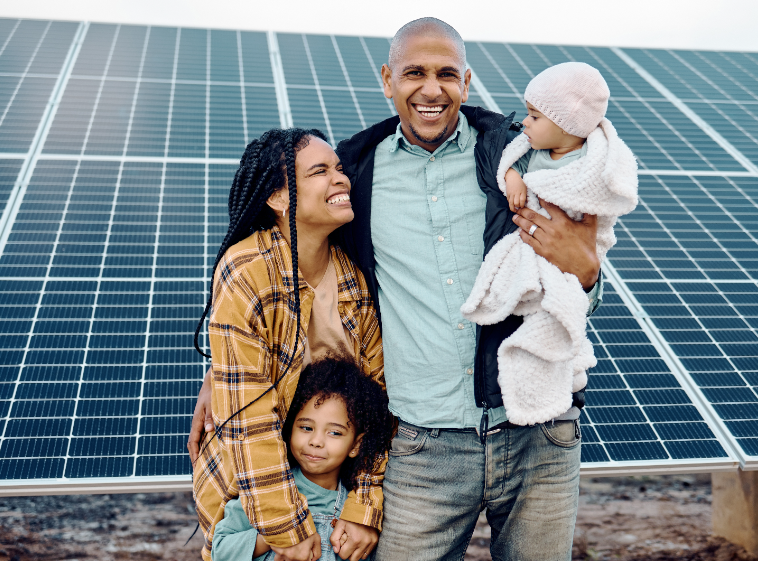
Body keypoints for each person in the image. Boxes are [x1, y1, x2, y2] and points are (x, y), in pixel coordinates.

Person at [190, 18, 604, 561]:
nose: (431, 89)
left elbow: (574, 263)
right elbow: (288, 276)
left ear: (466, 82)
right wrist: (222, 372)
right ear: (388, 80)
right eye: (414, 73)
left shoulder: (517, 158)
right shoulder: (356, 173)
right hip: (421, 448)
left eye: (446, 74)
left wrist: (588, 275)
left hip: (538, 432)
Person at [191, 128, 386, 561]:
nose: (340, 178)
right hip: (250, 497)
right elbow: (249, 420)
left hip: (333, 485)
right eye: (319, 171)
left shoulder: (354, 278)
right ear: (278, 198)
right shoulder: (247, 271)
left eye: (339, 168)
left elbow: (378, 401)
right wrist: (285, 530)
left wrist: (364, 505)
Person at [461, 62, 638, 426]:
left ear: (566, 125)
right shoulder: (531, 151)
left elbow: (599, 206)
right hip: (530, 242)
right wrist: (513, 179)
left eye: (535, 116)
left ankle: (565, 368)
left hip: (567, 247)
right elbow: (509, 165)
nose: (525, 124)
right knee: (542, 302)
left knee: (563, 308)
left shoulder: (590, 162)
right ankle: (553, 363)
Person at [212, 358, 394, 561]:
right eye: (306, 428)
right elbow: (220, 550)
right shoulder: (264, 492)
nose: (316, 441)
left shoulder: (356, 511)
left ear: (355, 446)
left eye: (334, 432)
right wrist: (274, 537)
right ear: (290, 429)